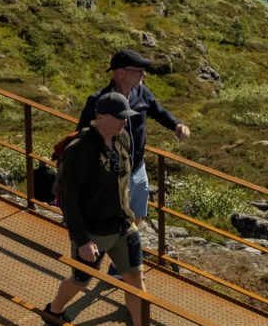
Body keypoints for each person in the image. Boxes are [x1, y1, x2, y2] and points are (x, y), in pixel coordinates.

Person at [38, 91, 167, 326]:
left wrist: (130, 217)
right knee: (81, 281)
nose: (124, 123)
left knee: (136, 280)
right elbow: (69, 201)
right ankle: (54, 311)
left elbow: (124, 180)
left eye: (126, 118)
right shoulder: (80, 151)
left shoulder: (123, 138)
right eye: (119, 118)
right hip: (93, 232)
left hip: (123, 227)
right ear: (101, 118)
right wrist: (82, 240)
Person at [77, 48, 190, 226]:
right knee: (109, 216)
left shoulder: (142, 92)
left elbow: (158, 111)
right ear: (121, 73)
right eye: (138, 70)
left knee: (136, 212)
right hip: (111, 171)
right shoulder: (99, 101)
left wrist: (176, 125)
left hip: (137, 167)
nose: (143, 74)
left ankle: (128, 246)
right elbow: (81, 135)